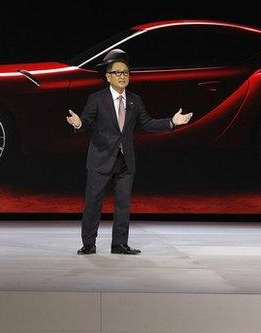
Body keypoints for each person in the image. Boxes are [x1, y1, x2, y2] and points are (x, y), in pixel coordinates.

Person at [65, 49, 192, 255]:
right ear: (108, 77)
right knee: (93, 203)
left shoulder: (135, 100)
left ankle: (119, 244)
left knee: (123, 204)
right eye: (118, 73)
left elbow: (147, 123)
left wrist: (171, 122)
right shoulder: (97, 99)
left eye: (126, 73)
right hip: (100, 159)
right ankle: (89, 244)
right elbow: (86, 122)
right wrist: (78, 124)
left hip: (126, 161)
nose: (123, 76)